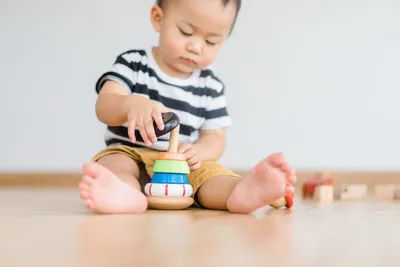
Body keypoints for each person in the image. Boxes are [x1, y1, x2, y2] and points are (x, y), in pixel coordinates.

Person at [79, 0, 297, 214]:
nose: (196, 47)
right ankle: (125, 194)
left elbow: (215, 137)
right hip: (132, 155)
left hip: (181, 168)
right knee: (114, 163)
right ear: (158, 19)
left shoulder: (210, 86)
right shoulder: (133, 64)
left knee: (210, 175)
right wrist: (129, 104)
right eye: (185, 32)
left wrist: (197, 152)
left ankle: (239, 192)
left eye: (211, 42)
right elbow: (104, 106)